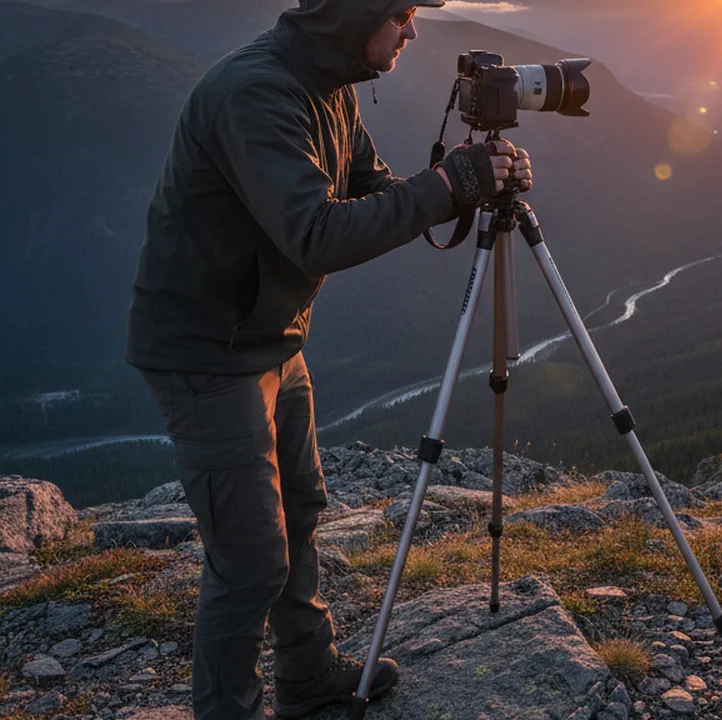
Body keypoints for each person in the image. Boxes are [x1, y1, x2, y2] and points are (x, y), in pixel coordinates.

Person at [124, 1, 530, 718]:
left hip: (269, 334)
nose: (413, 30)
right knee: (250, 560)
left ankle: (308, 680)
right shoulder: (258, 93)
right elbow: (315, 234)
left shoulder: (329, 84)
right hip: (206, 351)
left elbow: (370, 187)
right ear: (353, 13)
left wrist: (472, 183)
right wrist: (447, 187)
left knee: (303, 510)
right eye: (402, 13)